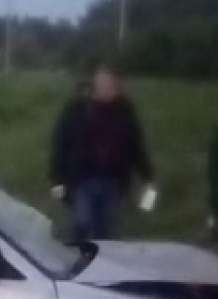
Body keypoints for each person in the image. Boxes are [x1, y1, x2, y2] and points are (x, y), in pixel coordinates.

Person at [49, 66, 154, 242]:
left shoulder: (125, 110)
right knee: (83, 222)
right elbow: (61, 143)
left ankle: (104, 260)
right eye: (103, 83)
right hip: (83, 179)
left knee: (107, 230)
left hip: (113, 181)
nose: (108, 88)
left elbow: (135, 143)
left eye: (112, 84)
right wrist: (56, 179)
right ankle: (78, 253)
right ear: (95, 84)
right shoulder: (77, 109)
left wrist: (147, 175)